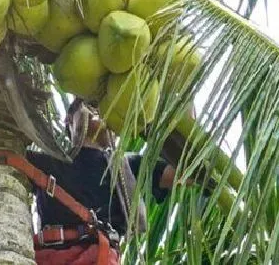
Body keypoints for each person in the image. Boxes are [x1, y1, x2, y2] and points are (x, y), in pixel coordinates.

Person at [26, 98, 179, 265]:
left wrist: (149, 120)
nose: (97, 111)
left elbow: (185, 173)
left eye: (106, 109)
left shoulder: (127, 165)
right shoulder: (44, 162)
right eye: (89, 105)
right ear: (68, 120)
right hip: (50, 258)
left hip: (101, 258)